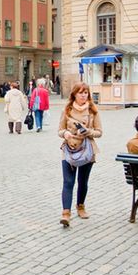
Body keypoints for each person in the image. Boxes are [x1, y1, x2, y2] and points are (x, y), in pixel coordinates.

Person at [58, 82, 102, 227]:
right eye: (81, 93)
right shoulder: (67, 110)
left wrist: (87, 131)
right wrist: (66, 133)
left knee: (83, 181)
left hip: (86, 150)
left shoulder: (93, 111)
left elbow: (99, 132)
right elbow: (60, 130)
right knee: (68, 182)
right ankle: (65, 213)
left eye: (86, 93)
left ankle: (81, 206)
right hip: (69, 149)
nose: (84, 95)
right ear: (74, 95)